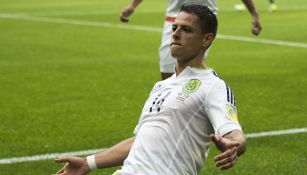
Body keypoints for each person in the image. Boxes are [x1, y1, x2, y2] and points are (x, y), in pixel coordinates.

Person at [55, 4, 246, 175]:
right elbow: (140, 142)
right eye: (174, 27)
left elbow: (233, 133)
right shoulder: (161, 86)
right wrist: (88, 163)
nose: (176, 33)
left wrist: (234, 146)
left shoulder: (213, 85)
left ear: (206, 39)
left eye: (186, 29)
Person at [120, 0, 262, 80]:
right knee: (169, 74)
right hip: (175, 18)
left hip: (204, 19)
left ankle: (197, 116)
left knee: (189, 68)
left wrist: (254, 14)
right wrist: (132, 6)